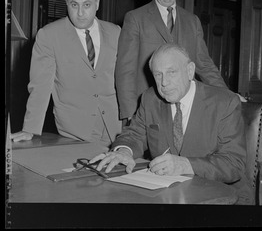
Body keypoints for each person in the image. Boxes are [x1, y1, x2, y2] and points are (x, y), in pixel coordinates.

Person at [91, 43, 253, 204]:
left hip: (222, 197)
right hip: (168, 194)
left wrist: (186, 165)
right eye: (158, 75)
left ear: (190, 71)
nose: (164, 83)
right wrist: (124, 152)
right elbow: (134, 135)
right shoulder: (150, 99)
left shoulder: (224, 102)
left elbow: (234, 164)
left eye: (171, 72)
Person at [10, 0, 122, 146]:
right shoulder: (49, 35)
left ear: (97, 3)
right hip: (74, 130)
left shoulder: (115, 32)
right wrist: (30, 128)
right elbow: (40, 85)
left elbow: (125, 78)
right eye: (74, 5)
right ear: (66, 4)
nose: (80, 13)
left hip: (115, 126)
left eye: (87, 5)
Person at [115, 0, 228, 127]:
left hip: (185, 107)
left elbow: (204, 64)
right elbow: (125, 70)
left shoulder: (192, 21)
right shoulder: (135, 18)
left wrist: (227, 94)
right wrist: (131, 112)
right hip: (147, 106)